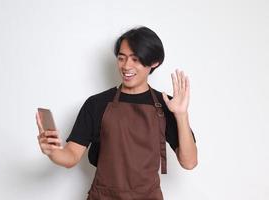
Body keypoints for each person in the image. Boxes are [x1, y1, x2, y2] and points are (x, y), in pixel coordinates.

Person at [36, 26, 197, 200]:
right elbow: (71, 156)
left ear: (154, 62)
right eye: (122, 58)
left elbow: (189, 162)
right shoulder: (96, 104)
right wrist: (52, 151)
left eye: (135, 59)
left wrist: (181, 115)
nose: (126, 66)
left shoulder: (167, 106)